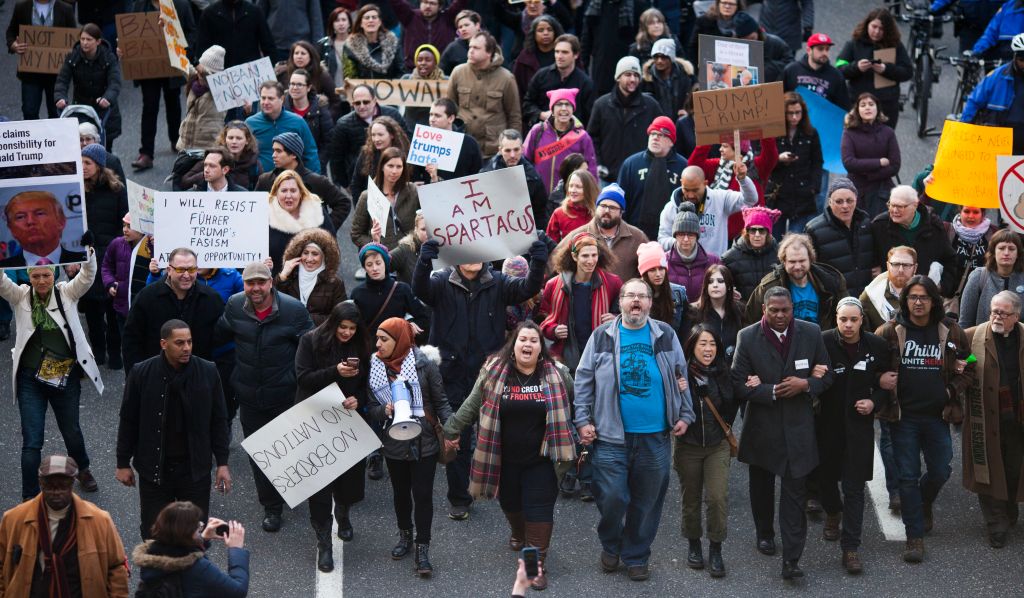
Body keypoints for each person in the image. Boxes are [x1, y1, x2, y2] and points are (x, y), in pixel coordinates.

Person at [413, 237, 549, 521]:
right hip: (451, 373)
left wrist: (538, 261)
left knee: (499, 432)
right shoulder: (440, 282)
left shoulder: (498, 282)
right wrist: (424, 261)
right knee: (457, 433)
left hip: (489, 373)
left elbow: (528, 288)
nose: (473, 257)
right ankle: (459, 497)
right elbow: (420, 289)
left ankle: (505, 490)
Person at [574, 278, 695, 582]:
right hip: (610, 436)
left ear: (651, 303)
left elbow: (681, 373)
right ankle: (611, 543)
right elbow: (583, 379)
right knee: (612, 497)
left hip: (654, 436)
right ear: (621, 303)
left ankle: (636, 554)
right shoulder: (602, 335)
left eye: (642, 296)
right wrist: (582, 420)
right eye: (630, 296)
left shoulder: (665, 333)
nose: (636, 302)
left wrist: (685, 412)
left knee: (647, 501)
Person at [443, 321, 576, 591]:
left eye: (534, 341)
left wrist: (586, 427)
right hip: (503, 458)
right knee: (512, 504)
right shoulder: (493, 372)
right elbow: (472, 403)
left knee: (538, 509)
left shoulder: (558, 374)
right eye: (522, 339)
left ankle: (533, 566)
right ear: (513, 345)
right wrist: (451, 429)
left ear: (542, 348)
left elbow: (577, 402)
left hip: (542, 459)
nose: (527, 344)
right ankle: (518, 532)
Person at [732, 286, 832, 579]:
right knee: (761, 488)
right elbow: (738, 382)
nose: (779, 316)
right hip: (762, 429)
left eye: (785, 310)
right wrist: (772, 390)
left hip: (799, 430)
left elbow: (826, 374)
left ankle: (792, 559)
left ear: (793, 310)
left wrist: (806, 385)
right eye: (773, 310)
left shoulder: (811, 333)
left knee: (794, 495)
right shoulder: (747, 337)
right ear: (763, 309)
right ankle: (764, 533)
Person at [876, 275, 971, 563]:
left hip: (937, 417)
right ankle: (914, 538)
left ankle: (923, 502)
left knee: (941, 470)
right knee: (907, 476)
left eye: (924, 297)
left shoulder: (951, 331)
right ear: (905, 301)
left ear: (934, 301)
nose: (918, 303)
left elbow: (973, 363)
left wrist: (952, 386)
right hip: (903, 417)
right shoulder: (890, 332)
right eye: (913, 297)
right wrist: (879, 378)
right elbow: (871, 366)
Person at [217, 261, 314, 533]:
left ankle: (290, 487)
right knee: (261, 455)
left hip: (285, 396)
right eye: (250, 283)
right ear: (244, 285)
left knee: (287, 451)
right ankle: (271, 507)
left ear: (271, 283)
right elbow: (217, 335)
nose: (256, 288)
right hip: (249, 396)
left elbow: (310, 348)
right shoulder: (235, 306)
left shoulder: (293, 310)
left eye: (261, 282)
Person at [0, 246, 103, 500]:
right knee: (31, 440)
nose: (41, 281)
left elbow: (87, 277)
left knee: (71, 430)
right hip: (29, 379)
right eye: (36, 276)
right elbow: (1, 281)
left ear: (54, 275)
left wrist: (88, 253)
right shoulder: (21, 296)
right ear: (29, 277)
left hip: (63, 376)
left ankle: (83, 468)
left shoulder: (66, 293)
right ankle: (29, 497)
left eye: (46, 275)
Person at [116, 320, 231, 540]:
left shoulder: (208, 371)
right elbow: (129, 420)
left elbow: (219, 420)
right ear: (163, 343)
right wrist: (122, 463)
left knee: (197, 534)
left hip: (194, 470)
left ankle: (193, 572)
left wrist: (223, 463)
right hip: (155, 469)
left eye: (189, 342)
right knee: (154, 532)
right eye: (179, 343)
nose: (186, 347)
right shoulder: (141, 373)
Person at [368, 317, 451, 578]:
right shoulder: (374, 367)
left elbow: (441, 402)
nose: (378, 344)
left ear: (400, 340)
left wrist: (452, 430)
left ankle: (422, 549)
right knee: (401, 494)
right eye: (377, 339)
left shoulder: (424, 365)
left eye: (384, 339)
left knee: (423, 495)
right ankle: (405, 535)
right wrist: (385, 409)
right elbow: (371, 409)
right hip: (393, 441)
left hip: (423, 441)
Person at [818, 297, 892, 574]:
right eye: (843, 319)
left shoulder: (877, 346)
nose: (848, 325)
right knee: (825, 480)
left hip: (859, 429)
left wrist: (875, 401)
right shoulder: (822, 342)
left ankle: (850, 548)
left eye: (854, 320)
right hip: (826, 426)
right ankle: (832, 513)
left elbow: (886, 382)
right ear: (836, 319)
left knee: (854, 489)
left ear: (862, 320)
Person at [295, 302, 371, 570]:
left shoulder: (362, 346)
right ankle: (324, 540)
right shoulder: (310, 341)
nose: (348, 333)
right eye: (343, 327)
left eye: (352, 328)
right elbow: (303, 378)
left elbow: (366, 386)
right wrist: (334, 372)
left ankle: (344, 509)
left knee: (350, 480)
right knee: (319, 484)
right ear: (333, 324)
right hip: (316, 418)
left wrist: (357, 399)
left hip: (347, 420)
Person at [0, 455, 129, 597]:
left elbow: (117, 567)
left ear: (72, 483)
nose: (56, 492)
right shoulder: (13, 519)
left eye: (62, 485)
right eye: (50, 486)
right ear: (41, 484)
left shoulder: (100, 521)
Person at [961, 291, 1024, 548]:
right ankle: (995, 523)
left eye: (1003, 313)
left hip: (1017, 417)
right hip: (985, 416)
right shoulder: (972, 337)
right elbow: (967, 365)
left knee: (1013, 468)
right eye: (993, 311)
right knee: (986, 468)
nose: (996, 317)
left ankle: (1009, 509)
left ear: (1016, 316)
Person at [675, 325, 736, 577]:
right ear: (692, 346)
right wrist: (678, 390)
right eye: (702, 344)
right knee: (690, 500)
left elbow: (733, 402)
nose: (708, 349)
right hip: (688, 446)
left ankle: (716, 548)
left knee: (717, 498)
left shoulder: (724, 372)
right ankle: (693, 544)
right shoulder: (679, 373)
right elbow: (669, 407)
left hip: (716, 445)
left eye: (712, 344)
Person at [121, 247, 225, 373]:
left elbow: (222, 343)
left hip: (198, 377)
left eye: (191, 269)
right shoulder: (147, 297)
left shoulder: (211, 299)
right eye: (180, 269)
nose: (186, 275)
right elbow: (131, 340)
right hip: (156, 375)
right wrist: (135, 376)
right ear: (169, 270)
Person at [540, 231, 622, 370]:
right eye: (585, 255)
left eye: (594, 255)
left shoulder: (613, 282)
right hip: (565, 356)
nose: (590, 261)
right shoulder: (553, 285)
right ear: (574, 256)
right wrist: (553, 330)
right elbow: (541, 318)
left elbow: (624, 316)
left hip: (602, 355)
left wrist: (615, 319)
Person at [132, 501, 248, 597]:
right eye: (198, 527)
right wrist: (235, 550)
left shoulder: (151, 556)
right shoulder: (198, 568)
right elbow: (237, 591)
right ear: (188, 534)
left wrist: (202, 539)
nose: (201, 527)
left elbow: (179, 551)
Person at [79, 143, 128, 368]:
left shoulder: (116, 190)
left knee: (112, 305)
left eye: (87, 163)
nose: (83, 167)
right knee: (91, 310)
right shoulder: (77, 191)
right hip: (86, 258)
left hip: (111, 257)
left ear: (99, 165)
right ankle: (97, 351)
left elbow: (124, 222)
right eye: (80, 162)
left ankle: (115, 352)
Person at [550, 183, 650, 283]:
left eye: (612, 207)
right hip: (587, 297)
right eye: (603, 206)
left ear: (621, 212)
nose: (606, 210)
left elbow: (651, 270)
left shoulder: (637, 237)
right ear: (596, 207)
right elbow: (553, 263)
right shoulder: (579, 235)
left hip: (623, 297)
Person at [747, 233, 849, 330]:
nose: (797, 266)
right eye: (792, 261)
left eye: (802, 261)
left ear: (810, 259)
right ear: (784, 261)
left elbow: (847, 316)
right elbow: (751, 320)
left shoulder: (830, 281)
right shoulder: (768, 287)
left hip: (820, 343)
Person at [870, 185, 958, 297]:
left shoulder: (934, 226)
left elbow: (950, 260)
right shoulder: (879, 226)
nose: (894, 210)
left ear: (915, 205)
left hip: (924, 296)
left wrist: (942, 287)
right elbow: (871, 260)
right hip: (889, 296)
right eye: (891, 205)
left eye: (900, 206)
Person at [588, 56, 662, 185]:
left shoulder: (651, 106)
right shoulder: (601, 105)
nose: (633, 79)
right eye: (628, 75)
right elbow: (592, 139)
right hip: (607, 177)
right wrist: (598, 164)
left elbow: (662, 137)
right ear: (618, 77)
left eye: (636, 75)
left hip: (640, 176)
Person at [657, 164, 758, 258]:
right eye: (686, 190)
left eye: (695, 190)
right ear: (681, 183)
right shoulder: (670, 208)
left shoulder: (720, 199)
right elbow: (662, 240)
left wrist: (743, 179)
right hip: (683, 271)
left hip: (714, 269)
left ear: (705, 183)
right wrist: (679, 242)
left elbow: (750, 200)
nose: (691, 195)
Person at [254, 132, 352, 230]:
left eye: (278, 151)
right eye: (273, 151)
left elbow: (343, 203)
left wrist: (324, 230)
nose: (273, 155)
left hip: (308, 242)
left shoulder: (316, 181)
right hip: (274, 242)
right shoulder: (265, 180)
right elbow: (256, 210)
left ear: (293, 154)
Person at [687, 137, 779, 240]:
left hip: (749, 236)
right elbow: (693, 166)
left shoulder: (756, 166)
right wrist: (707, 139)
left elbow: (771, 155)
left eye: (725, 146)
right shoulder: (718, 166)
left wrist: (766, 131)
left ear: (738, 149)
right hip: (719, 234)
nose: (720, 149)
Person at [446, 31, 522, 157]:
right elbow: (448, 110)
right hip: (462, 146)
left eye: (476, 48)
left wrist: (512, 148)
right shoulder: (458, 72)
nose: (470, 51)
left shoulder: (506, 78)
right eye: (470, 47)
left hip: (492, 150)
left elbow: (514, 117)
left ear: (489, 53)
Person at [837, 8, 913, 129]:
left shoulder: (895, 45)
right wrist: (856, 67)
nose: (876, 32)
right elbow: (839, 68)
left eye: (881, 29)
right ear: (868, 24)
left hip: (885, 106)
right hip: (858, 104)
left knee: (882, 144)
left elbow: (908, 71)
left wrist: (886, 69)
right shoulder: (855, 43)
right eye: (874, 26)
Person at [54, 23, 122, 151]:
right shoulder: (72, 57)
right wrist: (60, 97)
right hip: (81, 109)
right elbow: (62, 80)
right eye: (82, 39)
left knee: (105, 148)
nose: (85, 43)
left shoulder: (109, 58)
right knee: (80, 146)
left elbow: (115, 82)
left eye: (89, 40)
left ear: (98, 42)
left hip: (103, 108)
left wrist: (107, 98)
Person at [6, 0, 78, 120]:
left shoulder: (65, 9)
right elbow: (11, 31)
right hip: (30, 72)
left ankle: (54, 139)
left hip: (57, 74)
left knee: (56, 113)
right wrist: (13, 45)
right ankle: (33, 138)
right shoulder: (22, 7)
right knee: (29, 111)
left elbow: (73, 38)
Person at [618, 117, 688, 241]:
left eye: (661, 135)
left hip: (671, 235)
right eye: (653, 134)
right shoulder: (631, 164)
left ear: (671, 141)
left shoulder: (683, 167)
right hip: (634, 233)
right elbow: (621, 201)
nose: (655, 138)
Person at [805, 177, 876, 297]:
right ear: (830, 202)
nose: (845, 206)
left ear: (856, 200)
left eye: (850, 201)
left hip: (866, 297)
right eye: (839, 201)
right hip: (834, 299)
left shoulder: (867, 223)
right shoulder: (814, 230)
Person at [326, 84, 406, 189]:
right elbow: (337, 158)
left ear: (374, 100)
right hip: (362, 182)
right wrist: (346, 184)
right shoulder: (343, 124)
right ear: (352, 103)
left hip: (396, 177)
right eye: (357, 103)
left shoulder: (393, 114)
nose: (362, 106)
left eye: (366, 102)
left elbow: (407, 142)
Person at [524, 88, 599, 198]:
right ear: (552, 110)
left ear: (573, 109)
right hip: (537, 199)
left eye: (568, 104)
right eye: (559, 104)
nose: (564, 108)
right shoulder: (537, 131)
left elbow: (591, 172)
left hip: (568, 201)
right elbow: (524, 162)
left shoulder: (583, 137)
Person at [769, 92, 823, 236]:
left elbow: (818, 162)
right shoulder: (774, 133)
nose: (794, 117)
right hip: (778, 193)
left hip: (803, 193)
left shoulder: (810, 133)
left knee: (797, 241)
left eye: (797, 113)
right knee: (774, 240)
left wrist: (814, 187)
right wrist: (778, 159)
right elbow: (762, 160)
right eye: (790, 113)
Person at [841, 93, 900, 217]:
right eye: (863, 105)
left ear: (877, 108)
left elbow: (895, 165)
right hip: (857, 190)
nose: (867, 107)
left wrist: (869, 174)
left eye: (871, 104)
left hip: (882, 190)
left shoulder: (888, 132)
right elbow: (849, 162)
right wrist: (879, 162)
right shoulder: (849, 133)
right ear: (857, 110)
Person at [350, 147, 420, 251]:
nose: (394, 171)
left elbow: (429, 219)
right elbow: (356, 234)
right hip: (382, 259)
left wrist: (434, 178)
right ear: (382, 167)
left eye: (399, 166)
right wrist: (375, 244)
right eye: (390, 166)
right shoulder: (368, 196)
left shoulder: (413, 191)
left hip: (409, 257)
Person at [267, 169, 336, 274]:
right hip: (277, 279)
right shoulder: (266, 215)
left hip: (312, 278)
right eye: (284, 190)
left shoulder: (315, 211)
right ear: (276, 193)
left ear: (301, 193)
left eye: (293, 191)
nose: (288, 196)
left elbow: (331, 246)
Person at [350, 242, 429, 335]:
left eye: (378, 263)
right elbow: (352, 324)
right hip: (368, 347)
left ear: (385, 263)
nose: (374, 268)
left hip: (397, 346)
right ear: (364, 267)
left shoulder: (402, 289)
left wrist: (411, 325)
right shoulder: (357, 293)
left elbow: (423, 317)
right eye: (369, 264)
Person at [961, 33, 1024, 146]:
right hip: (999, 141)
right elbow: (974, 102)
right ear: (1014, 57)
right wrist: (962, 131)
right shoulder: (996, 77)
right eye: (1022, 59)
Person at [245, 81, 321, 174]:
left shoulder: (298, 122)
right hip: (260, 182)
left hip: (292, 182)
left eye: (271, 98)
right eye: (263, 98)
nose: (266, 102)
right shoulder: (250, 123)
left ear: (282, 99)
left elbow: (310, 154)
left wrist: (312, 181)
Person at [522, 34, 596, 128]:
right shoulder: (541, 76)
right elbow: (527, 105)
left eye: (564, 52)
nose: (559, 56)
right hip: (543, 134)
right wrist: (542, 115)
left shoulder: (585, 83)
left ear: (576, 54)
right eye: (557, 52)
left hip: (573, 136)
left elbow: (590, 117)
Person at [276, 228, 347, 325]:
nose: (309, 259)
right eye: (305, 253)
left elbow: (340, 316)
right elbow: (274, 304)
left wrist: (306, 318)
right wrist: (283, 276)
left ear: (324, 257)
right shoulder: (290, 276)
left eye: (315, 254)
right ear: (299, 254)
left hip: (320, 336)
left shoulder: (334, 282)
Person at [481, 129, 549, 227]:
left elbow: (539, 214)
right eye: (508, 150)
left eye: (516, 150)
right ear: (500, 150)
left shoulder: (533, 177)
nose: (512, 155)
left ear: (522, 149)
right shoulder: (486, 174)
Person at [0, 191, 86, 267]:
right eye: (20, 217)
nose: (30, 221)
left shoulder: (84, 262)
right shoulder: (3, 269)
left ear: (61, 221)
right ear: (11, 229)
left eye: (40, 213)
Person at [959, 229, 1024, 328]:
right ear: (993, 252)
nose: (1006, 253)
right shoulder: (979, 276)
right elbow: (965, 322)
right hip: (982, 340)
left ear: (1018, 253)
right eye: (1001, 248)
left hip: (1017, 341)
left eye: (1011, 249)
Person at [413, 98, 482, 183]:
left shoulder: (469, 144)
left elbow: (478, 174)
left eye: (437, 115)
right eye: (431, 114)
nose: (432, 119)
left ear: (451, 118)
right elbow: (415, 173)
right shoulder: (422, 141)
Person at [181, 121, 263, 191]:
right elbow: (185, 182)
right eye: (230, 138)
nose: (234, 141)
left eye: (239, 138)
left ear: (247, 141)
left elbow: (259, 194)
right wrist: (209, 173)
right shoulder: (213, 158)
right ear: (224, 139)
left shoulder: (254, 165)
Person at [580, 0, 639, 97]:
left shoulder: (634, 5)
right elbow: (586, 39)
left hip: (627, 67)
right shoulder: (594, 6)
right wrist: (584, 64)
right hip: (601, 66)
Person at [101, 214, 150, 330]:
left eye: (129, 226)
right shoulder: (117, 244)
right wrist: (110, 283)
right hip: (122, 307)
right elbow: (106, 266)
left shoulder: (151, 246)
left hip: (144, 307)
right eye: (124, 225)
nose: (125, 230)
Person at [388, 0, 467, 72]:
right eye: (425, 2)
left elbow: (460, 3)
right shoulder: (410, 16)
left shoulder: (448, 18)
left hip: (442, 71)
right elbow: (396, 3)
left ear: (440, 7)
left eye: (432, 3)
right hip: (413, 70)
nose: (428, 6)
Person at [176, 46, 228, 155]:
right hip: (186, 144)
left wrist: (198, 65)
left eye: (201, 70)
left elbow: (206, 75)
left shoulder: (221, 88)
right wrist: (174, 44)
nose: (199, 74)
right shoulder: (194, 77)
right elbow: (180, 63)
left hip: (207, 148)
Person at [195, 0, 275, 70]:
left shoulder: (254, 11)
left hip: (251, 74)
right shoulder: (209, 14)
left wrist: (274, 67)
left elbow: (268, 45)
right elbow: (202, 48)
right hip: (220, 75)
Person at [722, 206, 781, 301]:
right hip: (742, 312)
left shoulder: (780, 255)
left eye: (761, 230)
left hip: (773, 310)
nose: (757, 235)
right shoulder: (729, 258)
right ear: (747, 232)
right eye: (753, 230)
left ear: (768, 233)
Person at [687, 264, 745, 360]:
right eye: (710, 282)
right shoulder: (693, 311)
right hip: (704, 370)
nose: (715, 285)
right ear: (706, 286)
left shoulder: (740, 310)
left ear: (729, 286)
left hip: (734, 370)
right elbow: (688, 347)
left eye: (720, 281)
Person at [667, 203, 721, 304]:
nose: (686, 239)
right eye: (681, 234)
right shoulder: (663, 262)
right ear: (675, 235)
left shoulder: (713, 262)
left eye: (691, 235)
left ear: (697, 236)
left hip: (704, 316)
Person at [946, 205, 995, 316]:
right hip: (952, 296)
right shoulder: (947, 230)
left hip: (981, 296)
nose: (971, 216)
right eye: (966, 211)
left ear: (983, 214)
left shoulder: (993, 233)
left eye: (975, 212)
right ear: (960, 212)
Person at [782, 32, 852, 110]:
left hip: (823, 120)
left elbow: (843, 107)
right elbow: (777, 99)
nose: (825, 53)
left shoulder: (836, 76)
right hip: (795, 119)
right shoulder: (791, 70)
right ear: (809, 50)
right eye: (820, 49)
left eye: (827, 49)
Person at [284, 69, 335, 170]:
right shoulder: (282, 109)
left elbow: (328, 142)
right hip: (287, 167)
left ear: (308, 88)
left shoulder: (320, 110)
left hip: (314, 167)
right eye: (292, 84)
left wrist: (317, 163)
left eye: (299, 84)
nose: (294, 88)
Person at [349, 116, 410, 199]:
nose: (376, 139)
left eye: (380, 135)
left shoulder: (405, 154)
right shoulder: (366, 153)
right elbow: (356, 184)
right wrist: (362, 205)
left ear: (392, 135)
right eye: (373, 135)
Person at [861, 245, 918, 333]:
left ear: (915, 268)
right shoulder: (869, 296)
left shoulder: (927, 294)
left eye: (906, 265)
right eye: (895, 264)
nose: (901, 270)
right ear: (888, 266)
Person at [274, 41, 339, 117]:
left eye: (303, 53)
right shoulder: (283, 73)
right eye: (296, 53)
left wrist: (325, 117)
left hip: (314, 119)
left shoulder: (321, 74)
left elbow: (335, 101)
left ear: (310, 56)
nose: (299, 56)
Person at [638, 241, 688, 338]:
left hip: (673, 347)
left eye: (661, 269)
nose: (658, 274)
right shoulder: (634, 295)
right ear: (644, 273)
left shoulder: (678, 293)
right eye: (652, 270)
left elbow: (686, 328)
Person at [342, 4, 403, 79]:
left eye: (374, 17)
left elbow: (401, 72)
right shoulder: (350, 46)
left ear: (380, 22)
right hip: (361, 89)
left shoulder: (393, 42)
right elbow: (350, 77)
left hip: (390, 89)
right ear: (361, 23)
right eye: (367, 18)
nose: (371, 20)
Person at [512, 14, 563, 102]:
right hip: (532, 108)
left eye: (549, 29)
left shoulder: (565, 53)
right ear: (534, 34)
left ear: (555, 32)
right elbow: (517, 89)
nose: (545, 33)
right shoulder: (524, 58)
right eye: (540, 30)